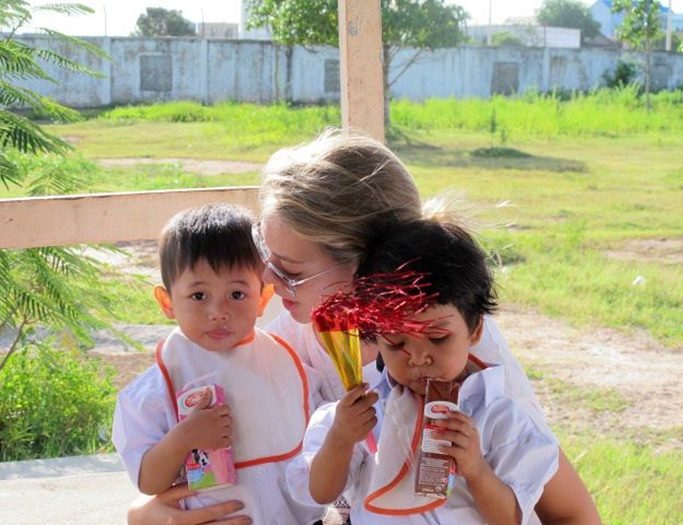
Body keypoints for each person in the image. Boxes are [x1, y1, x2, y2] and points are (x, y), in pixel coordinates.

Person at [127, 129, 601, 524]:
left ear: (372, 271)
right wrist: (145, 514)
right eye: (267, 257)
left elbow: (574, 514)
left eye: (290, 270)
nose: (268, 280)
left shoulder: (464, 363)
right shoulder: (288, 334)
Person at [287, 218, 560, 524]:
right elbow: (320, 493)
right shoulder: (364, 412)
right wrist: (340, 437)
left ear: (474, 330)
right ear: (375, 337)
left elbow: (512, 520)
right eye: (395, 342)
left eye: (438, 338)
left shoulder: (501, 419)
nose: (417, 358)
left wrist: (476, 470)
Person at [112, 203, 322, 525]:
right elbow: (149, 482)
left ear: (263, 299)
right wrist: (183, 437)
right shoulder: (152, 392)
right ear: (167, 302)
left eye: (237, 294)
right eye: (199, 296)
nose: (218, 312)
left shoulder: (289, 364)